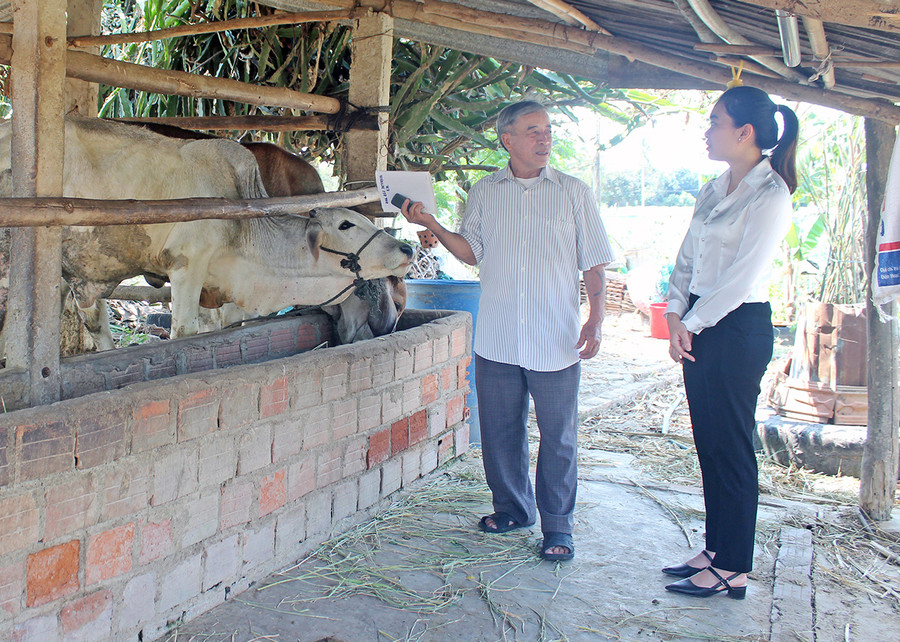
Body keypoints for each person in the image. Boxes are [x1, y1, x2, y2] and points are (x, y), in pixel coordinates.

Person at [400, 100, 614, 561]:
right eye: (533, 130)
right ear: (507, 139)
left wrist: (596, 319)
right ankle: (514, 509)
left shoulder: (573, 192)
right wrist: (432, 223)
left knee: (559, 437)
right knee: (500, 431)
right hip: (497, 335)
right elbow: (471, 252)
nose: (545, 138)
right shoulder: (485, 191)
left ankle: (558, 527)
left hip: (555, 336)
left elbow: (594, 261)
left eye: (548, 130)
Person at [662, 86, 799, 599]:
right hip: (699, 321)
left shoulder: (771, 194)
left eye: (715, 121)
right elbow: (687, 260)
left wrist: (692, 322)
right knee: (710, 441)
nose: (707, 130)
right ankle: (716, 550)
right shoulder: (713, 188)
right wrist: (674, 313)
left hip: (738, 328)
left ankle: (735, 565)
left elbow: (742, 278)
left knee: (733, 444)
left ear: (745, 132)